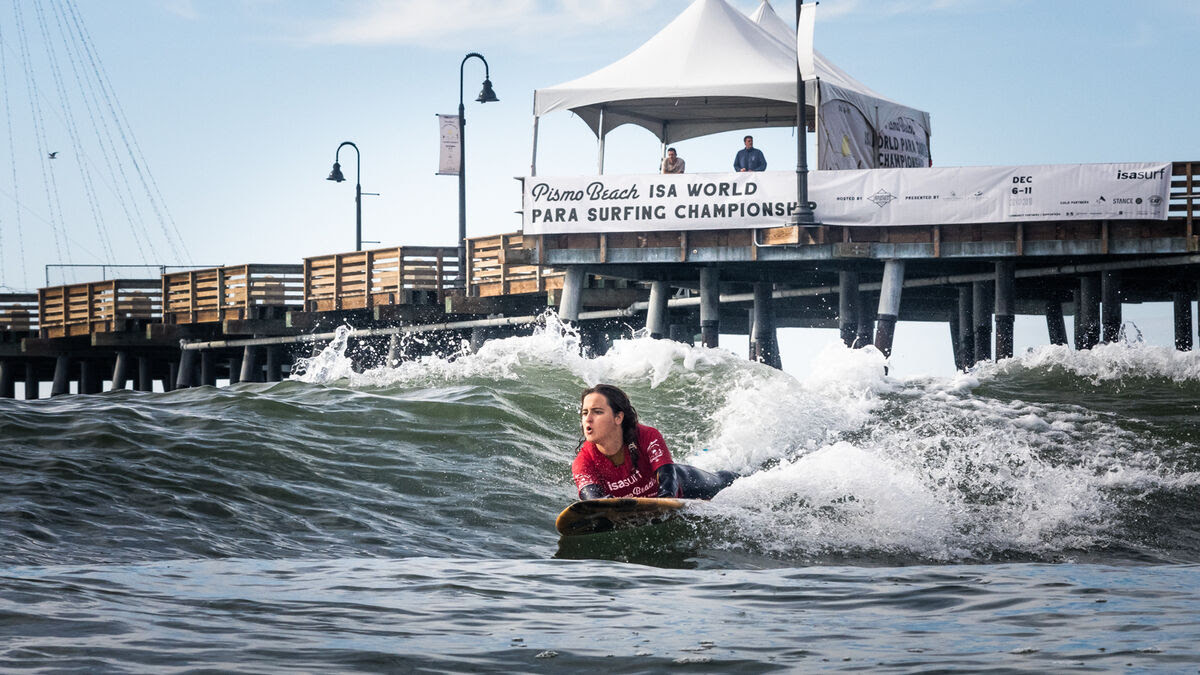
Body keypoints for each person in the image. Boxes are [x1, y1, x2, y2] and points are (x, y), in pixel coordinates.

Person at [572, 384, 739, 500]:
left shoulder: (647, 436)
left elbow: (668, 481)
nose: (588, 419)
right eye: (584, 413)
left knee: (725, 482)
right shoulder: (583, 461)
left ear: (618, 417)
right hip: (644, 503)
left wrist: (663, 503)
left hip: (686, 485)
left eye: (597, 412)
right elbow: (592, 498)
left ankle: (749, 476)